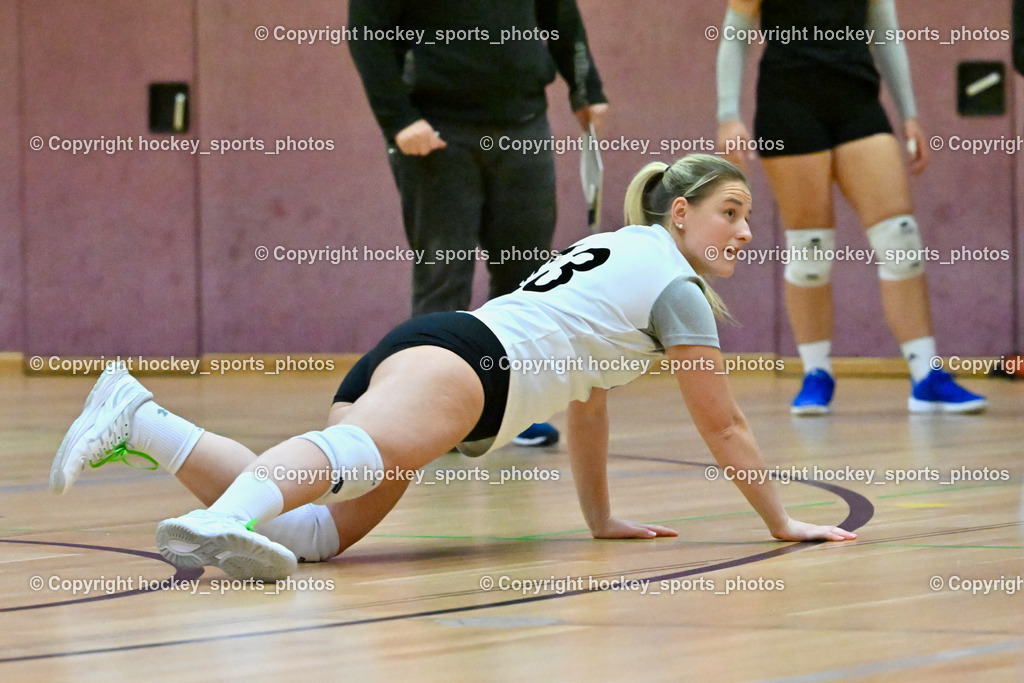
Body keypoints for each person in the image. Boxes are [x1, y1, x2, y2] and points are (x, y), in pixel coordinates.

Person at [51, 155, 857, 582]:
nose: (746, 232)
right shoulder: (676, 288)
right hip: (471, 366)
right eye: (731, 212)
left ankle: (143, 421)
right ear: (679, 213)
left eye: (749, 217)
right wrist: (779, 523)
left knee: (316, 533)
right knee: (352, 457)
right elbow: (724, 423)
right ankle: (223, 519)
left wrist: (600, 518)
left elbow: (587, 402)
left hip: (446, 356)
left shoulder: (618, 252)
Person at [348, 0, 610, 447]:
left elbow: (560, 14)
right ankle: (431, 413)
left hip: (524, 124)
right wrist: (399, 120)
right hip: (435, 134)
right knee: (443, 281)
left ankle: (511, 409)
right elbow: (366, 35)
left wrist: (586, 89)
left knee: (526, 279)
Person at [716, 0, 986, 415]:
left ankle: (926, 376)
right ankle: (816, 373)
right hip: (789, 105)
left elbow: (886, 32)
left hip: (858, 103)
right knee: (809, 248)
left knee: (901, 239)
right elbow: (734, 34)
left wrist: (909, 113)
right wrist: (728, 115)